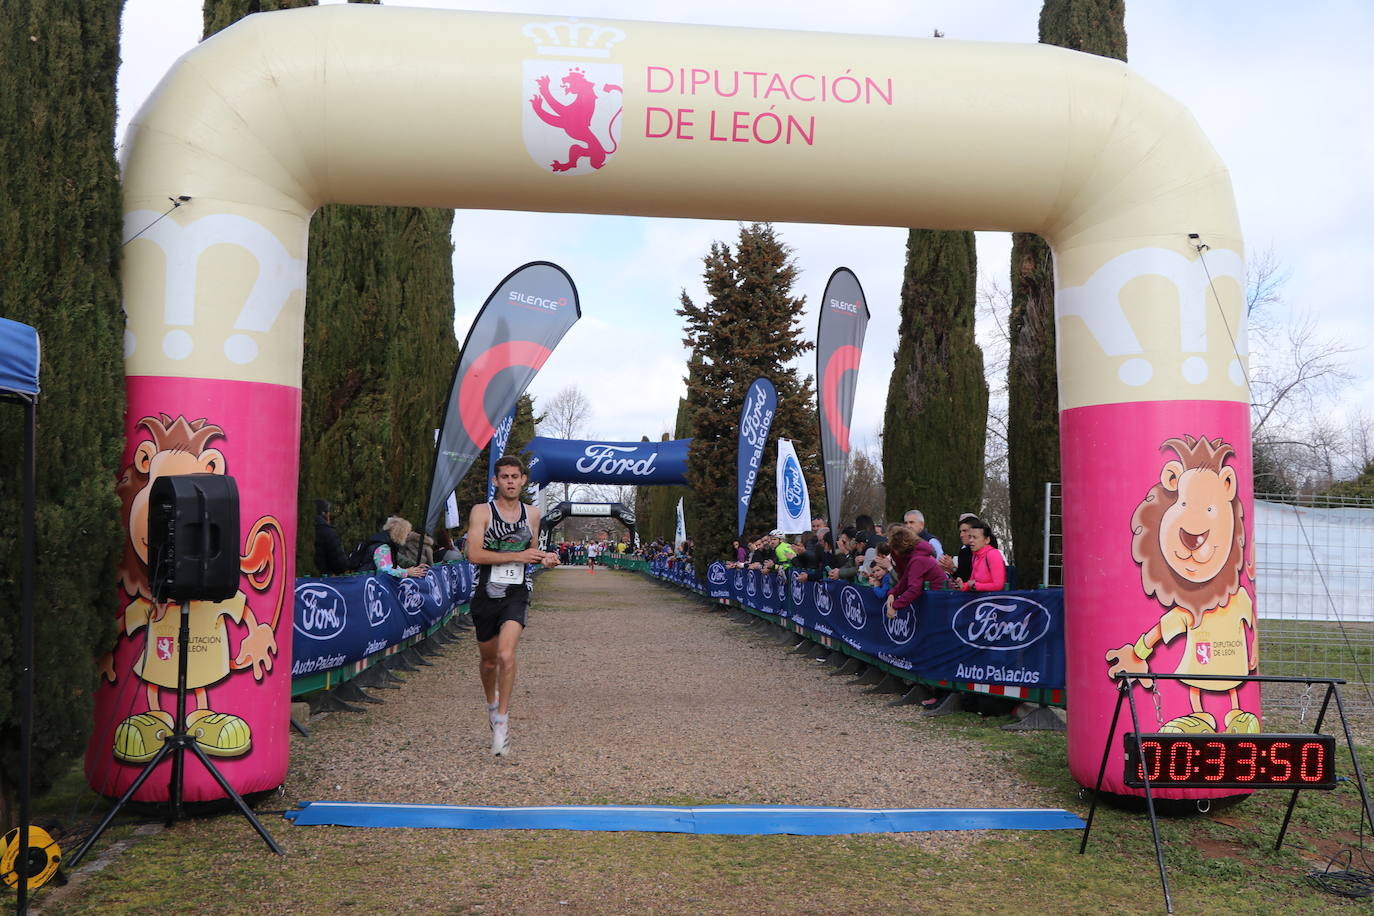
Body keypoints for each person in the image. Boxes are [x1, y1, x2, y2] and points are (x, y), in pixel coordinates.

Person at [466, 455, 559, 756]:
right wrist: (516, 557)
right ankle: (492, 706)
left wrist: (545, 557)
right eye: (504, 476)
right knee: (489, 660)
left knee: (507, 654)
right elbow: (475, 555)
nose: (509, 481)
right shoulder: (482, 512)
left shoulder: (532, 514)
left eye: (514, 477)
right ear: (496, 481)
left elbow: (529, 550)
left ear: (523, 481)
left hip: (516, 592)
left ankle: (503, 722)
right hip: (485, 593)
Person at [359, 516, 429, 579]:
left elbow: (396, 562)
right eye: (407, 533)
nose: (407, 536)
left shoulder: (386, 542)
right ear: (400, 533)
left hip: (366, 581)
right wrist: (407, 572)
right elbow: (386, 571)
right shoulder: (383, 547)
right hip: (366, 583)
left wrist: (415, 566)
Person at [954, 519, 1007, 592]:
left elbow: (998, 585)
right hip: (980, 601)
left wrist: (975, 586)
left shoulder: (993, 554)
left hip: (993, 601)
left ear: (987, 540)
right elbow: (972, 582)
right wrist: (963, 585)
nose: (970, 540)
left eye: (975, 537)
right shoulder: (975, 556)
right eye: (970, 537)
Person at [313, 498, 355, 575]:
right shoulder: (328, 533)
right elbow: (340, 564)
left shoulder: (300, 528)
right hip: (324, 580)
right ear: (325, 514)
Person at [939, 513, 978, 581]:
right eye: (960, 531)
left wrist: (952, 568)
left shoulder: (987, 552)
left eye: (965, 531)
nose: (961, 535)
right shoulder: (964, 552)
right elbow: (961, 579)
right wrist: (951, 569)